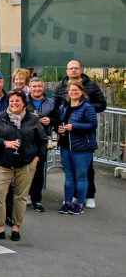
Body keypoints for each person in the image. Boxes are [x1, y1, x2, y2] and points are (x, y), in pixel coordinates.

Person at [0, 90, 47, 241]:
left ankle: (15, 227)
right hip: (2, 163)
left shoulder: (32, 119)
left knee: (20, 197)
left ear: (24, 102)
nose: (14, 104)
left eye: (17, 101)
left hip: (25, 164)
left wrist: (37, 158)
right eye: (11, 101)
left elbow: (42, 140)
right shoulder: (0, 118)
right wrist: (4, 143)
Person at [52, 59, 106, 209]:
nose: (74, 71)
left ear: (80, 70)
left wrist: (83, 107)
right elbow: (56, 110)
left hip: (84, 137)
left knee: (86, 169)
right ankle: (72, 197)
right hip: (66, 139)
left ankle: (88, 196)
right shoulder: (59, 87)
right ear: (67, 71)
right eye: (71, 68)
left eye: (76, 68)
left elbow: (102, 104)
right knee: (69, 172)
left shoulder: (91, 86)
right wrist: (58, 127)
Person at [56, 81, 98, 215]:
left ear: (81, 92)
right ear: (68, 92)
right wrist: (60, 129)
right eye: (71, 90)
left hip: (83, 147)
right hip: (66, 146)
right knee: (68, 176)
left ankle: (80, 203)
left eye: (76, 90)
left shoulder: (87, 107)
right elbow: (61, 122)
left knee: (81, 176)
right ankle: (67, 202)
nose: (73, 92)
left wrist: (75, 126)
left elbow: (92, 125)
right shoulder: (64, 107)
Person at [27, 77, 56, 212]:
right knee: (24, 170)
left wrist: (50, 120)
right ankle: (24, 196)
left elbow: (58, 118)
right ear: (30, 88)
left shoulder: (50, 102)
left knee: (39, 171)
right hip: (26, 140)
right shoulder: (23, 101)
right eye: (34, 86)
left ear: (43, 88)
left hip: (41, 140)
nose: (37, 89)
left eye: (39, 86)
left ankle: (36, 199)